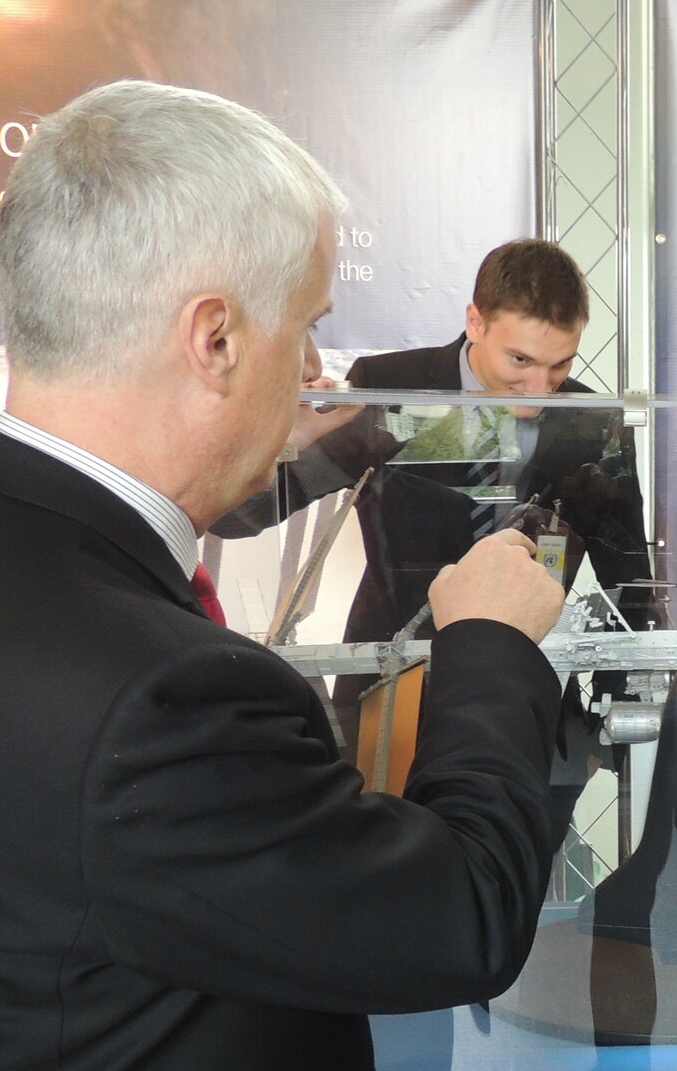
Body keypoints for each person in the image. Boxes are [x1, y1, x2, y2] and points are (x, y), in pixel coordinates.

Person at [0, 81, 569, 1071]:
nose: (320, 369)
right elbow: (461, 915)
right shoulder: (156, 690)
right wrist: (490, 646)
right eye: (309, 326)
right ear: (216, 337)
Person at [217, 238, 653, 826]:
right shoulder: (391, 386)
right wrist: (285, 437)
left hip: (530, 700)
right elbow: (239, 514)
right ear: (475, 321)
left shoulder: (591, 420)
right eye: (520, 362)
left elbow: (631, 580)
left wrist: (611, 731)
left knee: (506, 891)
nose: (539, 389)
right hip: (390, 685)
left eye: (561, 365)